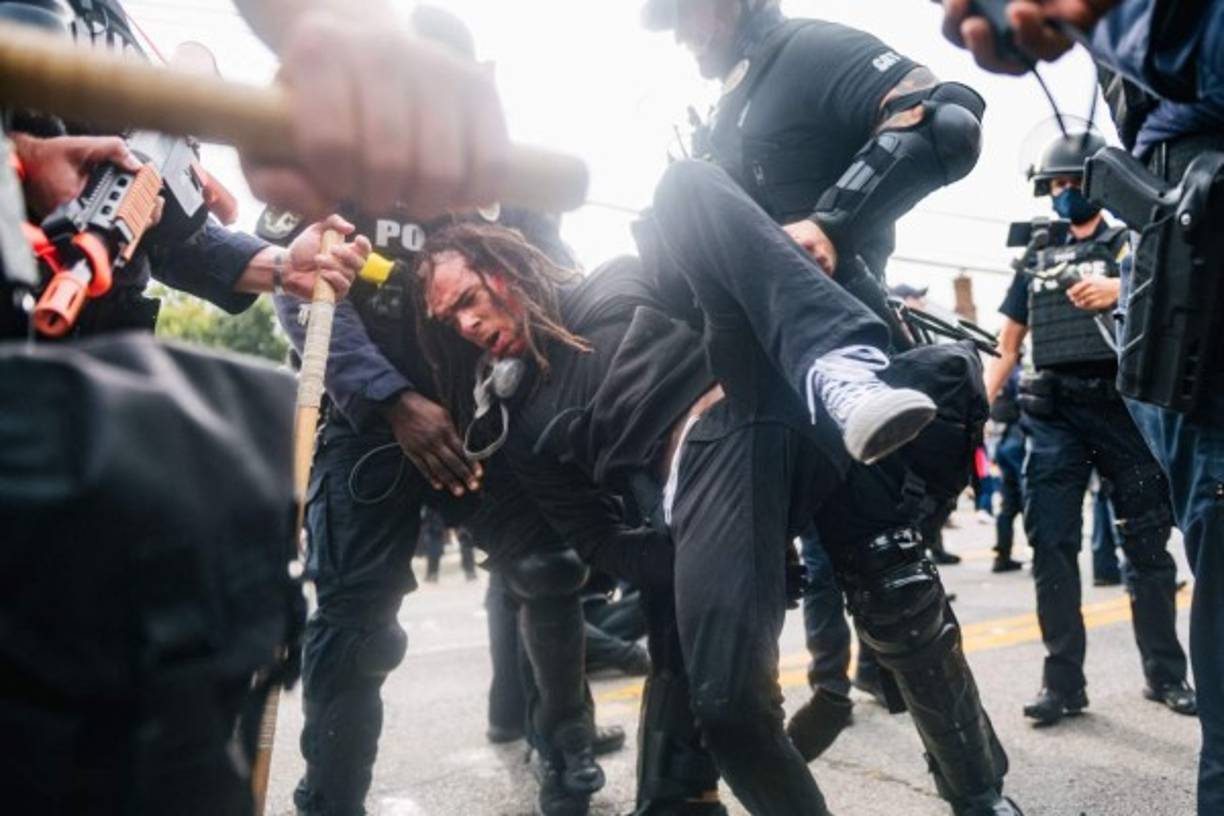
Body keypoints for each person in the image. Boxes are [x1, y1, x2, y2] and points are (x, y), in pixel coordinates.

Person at [415, 159, 1020, 815]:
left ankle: (840, 366)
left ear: (506, 268)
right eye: (451, 321)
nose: (468, 325)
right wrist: (709, 559)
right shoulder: (524, 418)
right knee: (727, 709)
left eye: (469, 300)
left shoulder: (619, 277)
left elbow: (729, 267)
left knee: (682, 185)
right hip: (705, 485)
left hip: (766, 392)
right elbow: (596, 539)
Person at [260, 8, 618, 815]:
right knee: (354, 623)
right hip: (371, 425)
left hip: (488, 422)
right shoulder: (341, 155)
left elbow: (554, 284)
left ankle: (567, 761)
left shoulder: (504, 175)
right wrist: (394, 401)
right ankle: (332, 797)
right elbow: (303, 289)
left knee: (548, 571)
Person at [984, 131, 1194, 726]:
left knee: (1147, 546)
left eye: (1072, 182)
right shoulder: (1037, 254)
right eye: (1054, 184)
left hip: (1122, 411)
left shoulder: (1133, 243)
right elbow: (1007, 341)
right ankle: (1063, 684)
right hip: (1053, 416)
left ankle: (1165, 674)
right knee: (1051, 546)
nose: (1063, 193)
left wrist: (1121, 289)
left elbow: (1177, 306)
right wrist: (976, 408)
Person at [990, 369, 1025, 574]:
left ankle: (1002, 556)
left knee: (1008, 504)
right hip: (1019, 438)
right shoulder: (1018, 373)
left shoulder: (999, 373)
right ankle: (1040, 556)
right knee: (1031, 499)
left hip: (1002, 442)